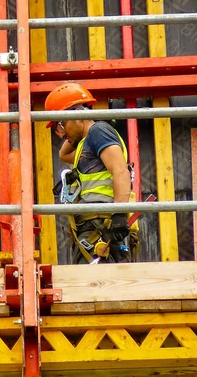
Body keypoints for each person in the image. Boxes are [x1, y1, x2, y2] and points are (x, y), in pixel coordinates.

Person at [45, 82, 134, 264]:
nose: (60, 134)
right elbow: (63, 154)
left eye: (60, 126)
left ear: (77, 114)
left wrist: (118, 215)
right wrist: (72, 127)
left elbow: (120, 171)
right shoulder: (85, 143)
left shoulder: (98, 132)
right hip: (93, 224)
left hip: (103, 224)